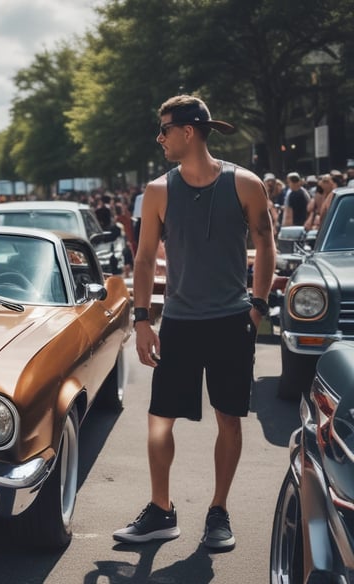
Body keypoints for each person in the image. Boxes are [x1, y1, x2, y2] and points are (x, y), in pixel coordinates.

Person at [113, 95, 276, 552]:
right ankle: (161, 511)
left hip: (231, 321)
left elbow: (266, 245)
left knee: (229, 417)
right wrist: (142, 320)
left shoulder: (245, 184)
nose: (159, 138)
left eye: (164, 129)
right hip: (179, 323)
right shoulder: (158, 190)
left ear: (189, 131)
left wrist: (258, 307)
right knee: (159, 419)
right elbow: (143, 259)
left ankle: (218, 511)